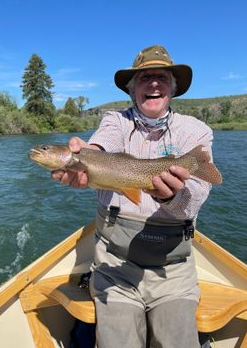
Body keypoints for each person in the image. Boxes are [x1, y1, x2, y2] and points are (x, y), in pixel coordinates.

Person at [52, 45, 214, 348]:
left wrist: (170, 199)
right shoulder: (115, 121)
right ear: (132, 89)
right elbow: (103, 144)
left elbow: (195, 199)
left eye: (162, 77)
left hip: (173, 273)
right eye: (144, 78)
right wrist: (87, 155)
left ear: (173, 88)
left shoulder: (195, 131)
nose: (153, 83)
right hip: (115, 269)